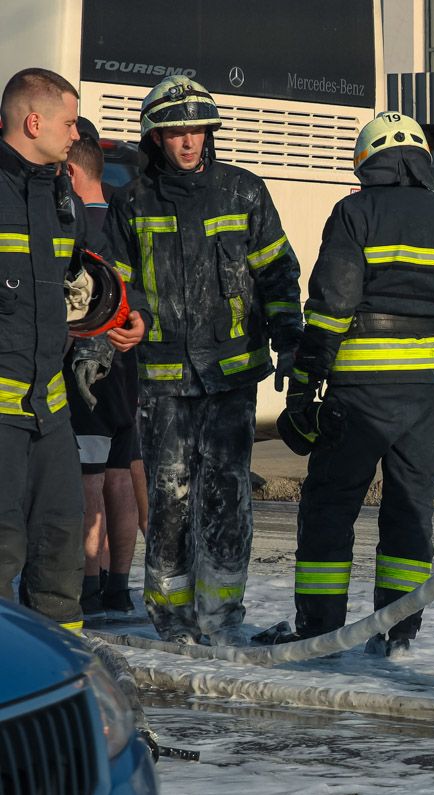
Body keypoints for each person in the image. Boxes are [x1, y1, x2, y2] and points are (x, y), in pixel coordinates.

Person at [104, 76, 302, 645]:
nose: (188, 142)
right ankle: (170, 620)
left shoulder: (243, 192)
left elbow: (278, 275)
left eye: (197, 131)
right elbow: (115, 286)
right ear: (155, 138)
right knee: (168, 496)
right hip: (164, 379)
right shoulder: (132, 203)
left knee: (226, 496)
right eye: (176, 132)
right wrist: (125, 319)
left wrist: (290, 341)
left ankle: (222, 619)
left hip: (232, 376)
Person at [279, 112, 434, 655]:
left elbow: (332, 306)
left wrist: (302, 385)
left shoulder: (354, 212)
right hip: (425, 396)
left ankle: (320, 632)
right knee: (411, 514)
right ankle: (398, 633)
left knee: (330, 508)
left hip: (358, 395)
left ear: (368, 163)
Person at [0, 68, 144, 631]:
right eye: (68, 120)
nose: (76, 130)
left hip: (49, 411)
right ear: (33, 121)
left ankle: (64, 686)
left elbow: (100, 273)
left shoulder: (63, 196)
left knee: (60, 552)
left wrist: (129, 316)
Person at [63, 121, 142, 624]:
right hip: (128, 369)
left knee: (88, 479)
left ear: (71, 171)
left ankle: (87, 587)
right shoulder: (127, 215)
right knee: (120, 474)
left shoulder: (75, 228)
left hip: (88, 372)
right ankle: (119, 588)